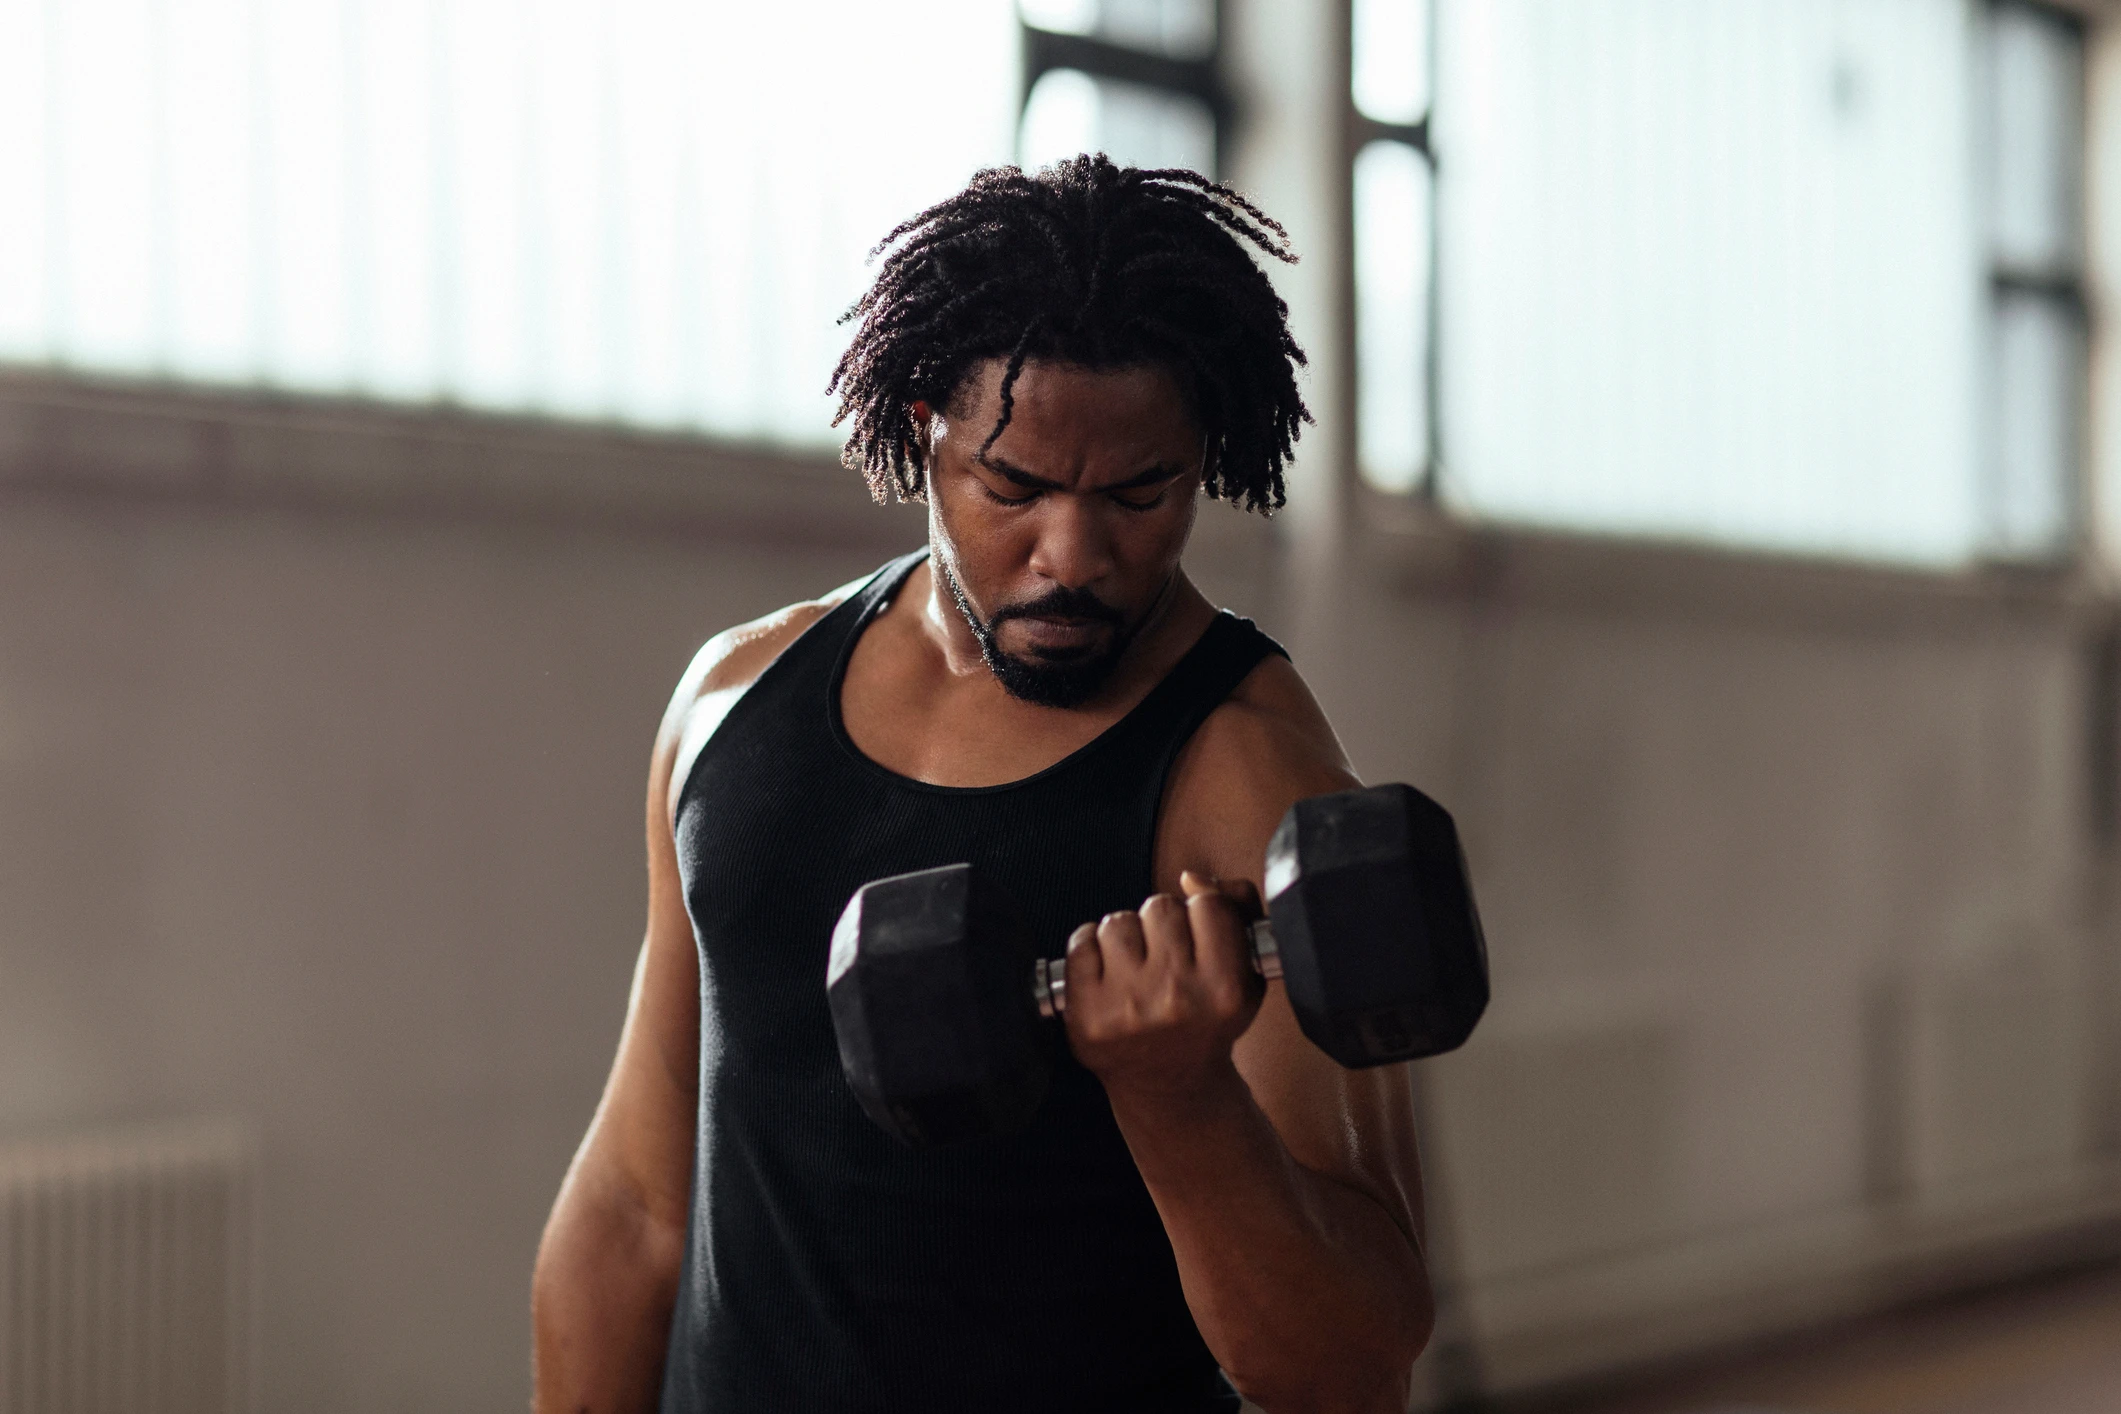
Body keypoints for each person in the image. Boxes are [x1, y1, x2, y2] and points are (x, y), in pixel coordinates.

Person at [531, 155, 1433, 1413]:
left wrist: (1178, 1097)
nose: (1073, 555)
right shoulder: (733, 706)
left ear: (1203, 461)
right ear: (923, 434)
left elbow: (1350, 1363)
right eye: (1014, 486)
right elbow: (635, 1202)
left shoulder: (1246, 774)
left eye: (1139, 492)